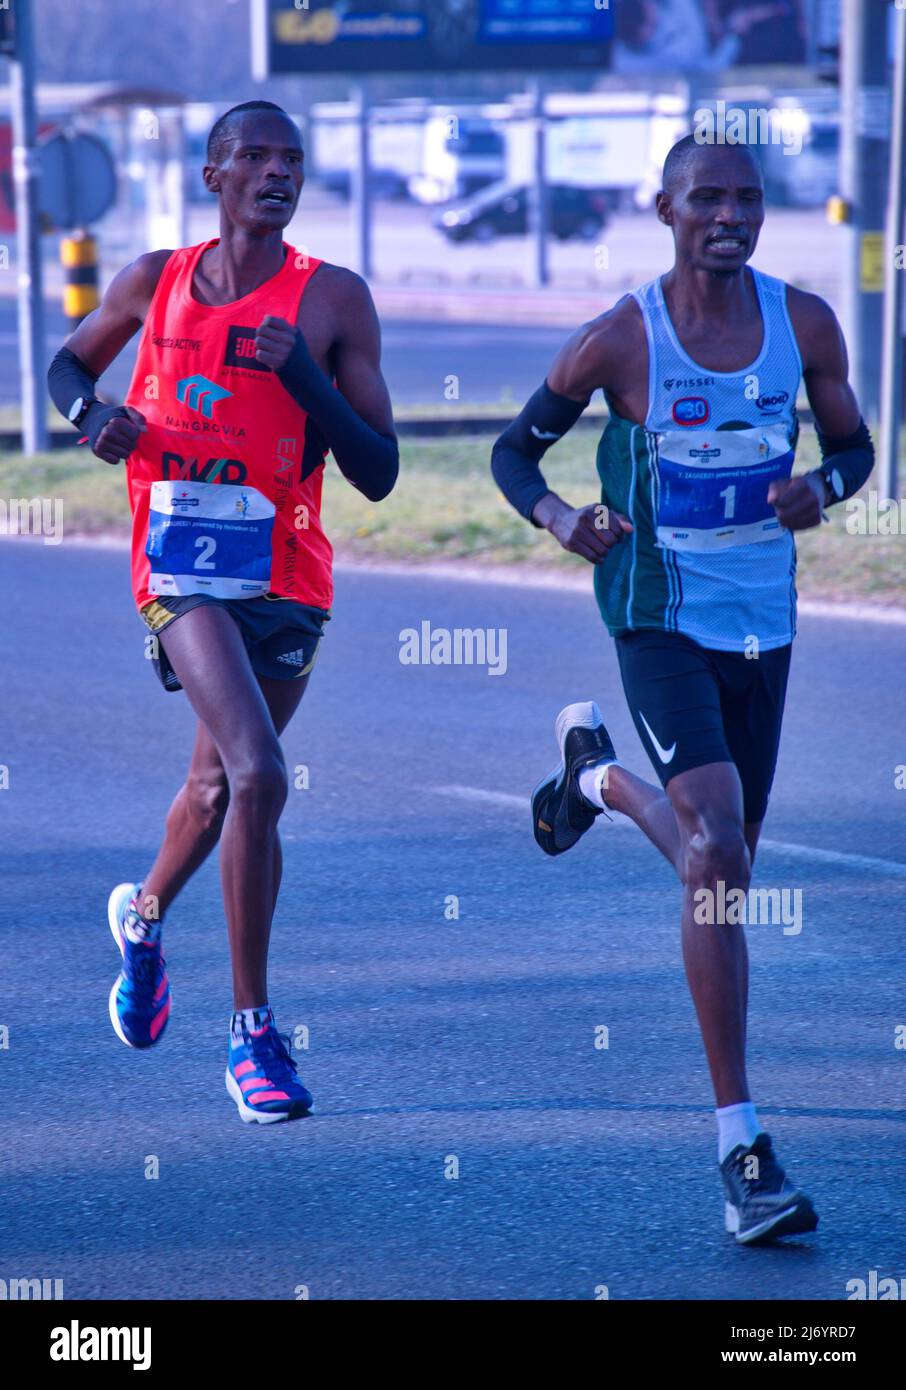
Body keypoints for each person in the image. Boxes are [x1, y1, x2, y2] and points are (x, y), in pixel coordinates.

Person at [491, 133, 873, 1243]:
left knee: (728, 861)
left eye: (747, 198)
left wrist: (824, 486)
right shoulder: (622, 338)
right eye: (707, 197)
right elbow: (518, 452)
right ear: (665, 207)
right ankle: (742, 1149)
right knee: (716, 856)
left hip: (766, 626)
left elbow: (857, 447)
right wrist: (566, 520)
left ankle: (596, 776)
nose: (729, 215)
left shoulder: (804, 324)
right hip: (656, 612)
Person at [48, 101, 398, 1124]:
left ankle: (144, 923)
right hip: (179, 567)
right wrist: (93, 416)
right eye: (254, 156)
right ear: (213, 174)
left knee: (210, 797)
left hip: (285, 571)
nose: (275, 173)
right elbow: (70, 365)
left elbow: (377, 468)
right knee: (257, 770)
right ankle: (253, 1038)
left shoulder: (331, 301)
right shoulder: (152, 281)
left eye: (291, 159)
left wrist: (304, 376)